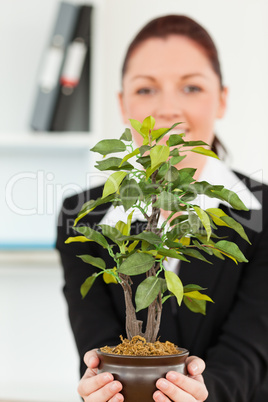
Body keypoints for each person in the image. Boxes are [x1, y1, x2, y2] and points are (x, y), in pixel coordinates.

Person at [56, 15, 268, 402]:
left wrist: (204, 394)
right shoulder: (81, 216)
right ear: (123, 104)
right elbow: (99, 343)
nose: (169, 109)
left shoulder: (262, 211)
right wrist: (103, 384)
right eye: (146, 89)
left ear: (222, 98)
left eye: (191, 86)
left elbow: (252, 349)